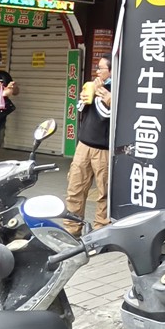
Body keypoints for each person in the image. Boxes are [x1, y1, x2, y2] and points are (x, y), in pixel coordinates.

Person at [63, 55, 113, 237]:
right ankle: (71, 228)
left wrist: (102, 94)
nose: (97, 72)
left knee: (104, 192)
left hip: (104, 149)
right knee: (75, 187)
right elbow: (79, 109)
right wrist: (83, 99)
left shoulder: (116, 89)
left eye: (101, 68)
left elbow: (108, 114)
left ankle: (101, 230)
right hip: (83, 145)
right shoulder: (94, 86)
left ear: (111, 70)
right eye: (97, 68)